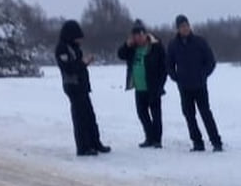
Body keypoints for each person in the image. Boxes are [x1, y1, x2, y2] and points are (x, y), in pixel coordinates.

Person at [166, 14, 223, 152]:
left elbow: (210, 61)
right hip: (184, 87)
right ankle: (197, 143)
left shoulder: (199, 42)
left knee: (205, 113)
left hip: (200, 85)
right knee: (189, 116)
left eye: (186, 26)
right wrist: (175, 77)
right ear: (177, 29)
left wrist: (203, 75)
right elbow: (169, 64)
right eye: (181, 27)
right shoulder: (173, 45)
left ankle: (216, 142)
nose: (184, 28)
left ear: (189, 26)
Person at [54, 19, 110, 156]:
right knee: (80, 118)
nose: (80, 40)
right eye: (78, 37)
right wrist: (83, 63)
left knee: (90, 116)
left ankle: (95, 143)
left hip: (82, 85)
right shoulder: (62, 48)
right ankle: (83, 147)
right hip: (73, 86)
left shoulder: (73, 47)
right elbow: (69, 68)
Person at [116, 19, 168, 149]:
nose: (138, 38)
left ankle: (157, 139)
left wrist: (161, 84)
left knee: (156, 114)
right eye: (135, 36)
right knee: (142, 113)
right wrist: (127, 45)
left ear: (145, 34)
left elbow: (164, 66)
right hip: (139, 87)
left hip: (153, 86)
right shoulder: (132, 48)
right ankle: (149, 137)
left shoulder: (156, 46)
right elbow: (120, 55)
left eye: (140, 35)